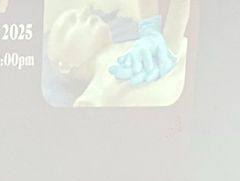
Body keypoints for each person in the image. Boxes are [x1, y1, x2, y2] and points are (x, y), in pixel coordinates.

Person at [42, 0, 188, 107]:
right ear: (65, 65)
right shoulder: (91, 99)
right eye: (71, 21)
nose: (85, 11)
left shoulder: (144, 42)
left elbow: (169, 27)